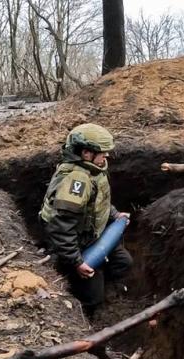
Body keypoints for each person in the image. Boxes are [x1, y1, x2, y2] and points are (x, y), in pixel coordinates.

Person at [39, 123, 133, 316]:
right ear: (86, 153)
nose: (106, 156)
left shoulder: (93, 170)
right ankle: (85, 311)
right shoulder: (76, 181)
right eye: (103, 152)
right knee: (93, 297)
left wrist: (114, 214)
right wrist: (76, 261)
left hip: (91, 234)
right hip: (75, 243)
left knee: (123, 262)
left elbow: (98, 202)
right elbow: (60, 227)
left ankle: (103, 287)